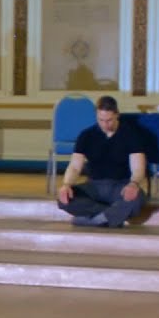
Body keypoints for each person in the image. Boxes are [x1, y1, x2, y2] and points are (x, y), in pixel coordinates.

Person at [56, 96, 147, 228]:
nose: (105, 124)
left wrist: (133, 184)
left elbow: (138, 168)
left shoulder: (131, 135)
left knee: (138, 199)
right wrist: (66, 184)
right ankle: (110, 216)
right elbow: (75, 167)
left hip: (120, 186)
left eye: (109, 120)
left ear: (117, 115)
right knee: (63, 199)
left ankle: (93, 219)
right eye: (101, 120)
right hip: (94, 186)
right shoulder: (86, 135)